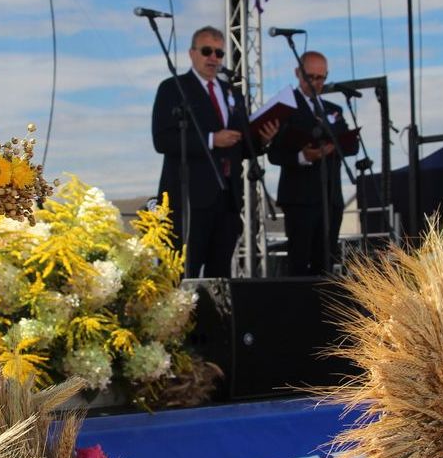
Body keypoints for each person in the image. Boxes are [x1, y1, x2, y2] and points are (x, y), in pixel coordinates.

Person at [152, 26, 278, 277]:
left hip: (227, 200)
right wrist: (212, 140)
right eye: (207, 51)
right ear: (192, 53)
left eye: (219, 53)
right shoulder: (173, 88)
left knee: (219, 276)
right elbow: (162, 140)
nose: (213, 58)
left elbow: (240, 146)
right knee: (180, 275)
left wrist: (262, 140)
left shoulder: (233, 93)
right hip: (189, 200)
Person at [267, 50, 359, 276]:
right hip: (300, 198)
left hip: (331, 196)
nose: (315, 83)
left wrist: (333, 147)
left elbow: (352, 146)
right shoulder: (285, 107)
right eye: (311, 77)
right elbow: (274, 154)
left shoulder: (333, 110)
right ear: (298, 73)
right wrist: (303, 156)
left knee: (326, 262)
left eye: (321, 78)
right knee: (299, 261)